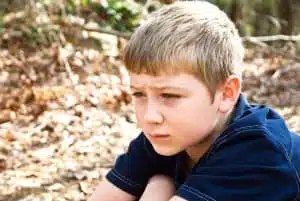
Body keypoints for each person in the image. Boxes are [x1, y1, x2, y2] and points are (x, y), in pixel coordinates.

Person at [88, 1, 300, 201]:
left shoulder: (257, 153)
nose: (149, 116)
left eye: (169, 95)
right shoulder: (165, 136)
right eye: (139, 94)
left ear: (226, 94)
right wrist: (160, 185)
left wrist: (158, 189)